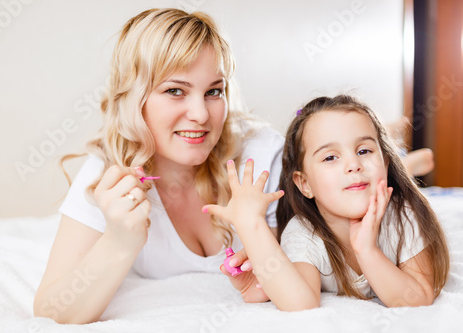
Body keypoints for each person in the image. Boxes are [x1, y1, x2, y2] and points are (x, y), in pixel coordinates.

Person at [33, 8, 284, 324]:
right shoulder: (109, 175)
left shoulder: (259, 155)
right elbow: (50, 310)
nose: (201, 114)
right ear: (136, 99)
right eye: (175, 91)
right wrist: (119, 241)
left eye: (213, 92)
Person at [203, 95, 450, 311]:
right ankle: (404, 156)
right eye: (330, 157)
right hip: (359, 183)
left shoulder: (401, 214)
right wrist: (251, 226)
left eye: (364, 150)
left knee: (395, 171)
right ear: (305, 184)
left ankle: (405, 159)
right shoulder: (304, 232)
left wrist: (368, 250)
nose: (353, 163)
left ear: (385, 162)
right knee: (360, 177)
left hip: (377, 180)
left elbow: (418, 298)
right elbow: (300, 302)